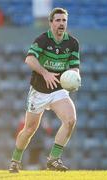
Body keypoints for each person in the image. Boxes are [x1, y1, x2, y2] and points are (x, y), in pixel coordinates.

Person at [9, 7, 81, 173]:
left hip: (58, 91)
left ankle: (54, 159)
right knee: (29, 130)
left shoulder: (72, 43)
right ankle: (15, 160)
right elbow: (29, 59)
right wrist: (45, 73)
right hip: (39, 91)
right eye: (58, 20)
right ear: (51, 23)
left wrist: (74, 78)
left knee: (70, 120)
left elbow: (75, 67)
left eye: (64, 20)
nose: (61, 23)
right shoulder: (42, 40)